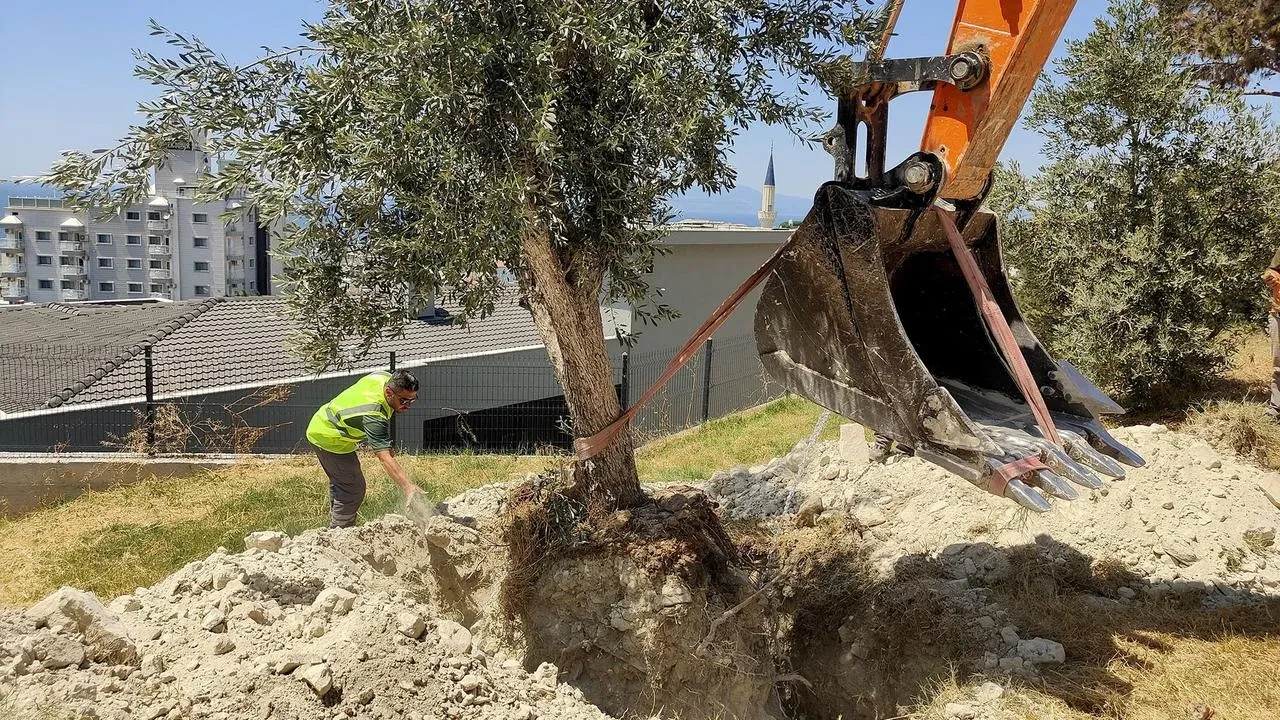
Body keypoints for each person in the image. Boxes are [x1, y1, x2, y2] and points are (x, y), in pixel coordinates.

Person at [306, 369, 423, 528]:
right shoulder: (373, 414)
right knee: (352, 488)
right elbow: (383, 457)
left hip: (327, 420)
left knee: (343, 482)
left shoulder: (383, 377)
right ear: (388, 392)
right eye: (403, 400)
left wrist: (384, 444)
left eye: (412, 399)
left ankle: (336, 525)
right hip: (328, 436)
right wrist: (408, 487)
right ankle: (340, 533)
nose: (408, 405)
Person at [1263, 250, 1280, 420]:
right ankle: (1276, 409)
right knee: (1279, 366)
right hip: (1279, 314)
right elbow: (1272, 269)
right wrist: (1270, 276)